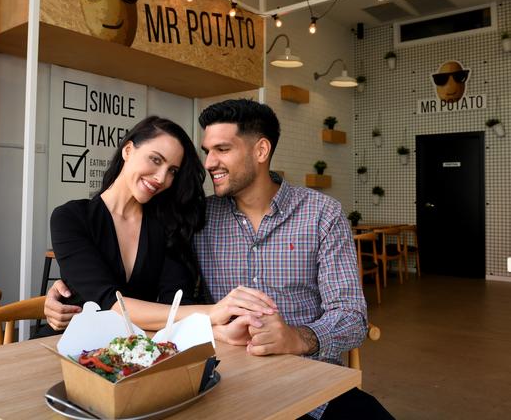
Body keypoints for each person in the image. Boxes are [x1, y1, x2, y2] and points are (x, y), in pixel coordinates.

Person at [46, 102, 392, 419]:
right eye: (207, 151)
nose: (210, 162)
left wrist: (297, 338)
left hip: (309, 386)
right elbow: (163, 300)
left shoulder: (321, 214)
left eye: (222, 150)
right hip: (224, 384)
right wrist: (68, 299)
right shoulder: (198, 221)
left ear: (261, 150)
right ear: (127, 150)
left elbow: (351, 317)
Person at [50, 115, 277, 334]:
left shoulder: (168, 224)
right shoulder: (70, 218)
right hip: (70, 346)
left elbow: (177, 302)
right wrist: (213, 313)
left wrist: (217, 331)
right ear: (128, 150)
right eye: (155, 160)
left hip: (138, 350)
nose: (161, 178)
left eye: (172, 171)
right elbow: (108, 304)